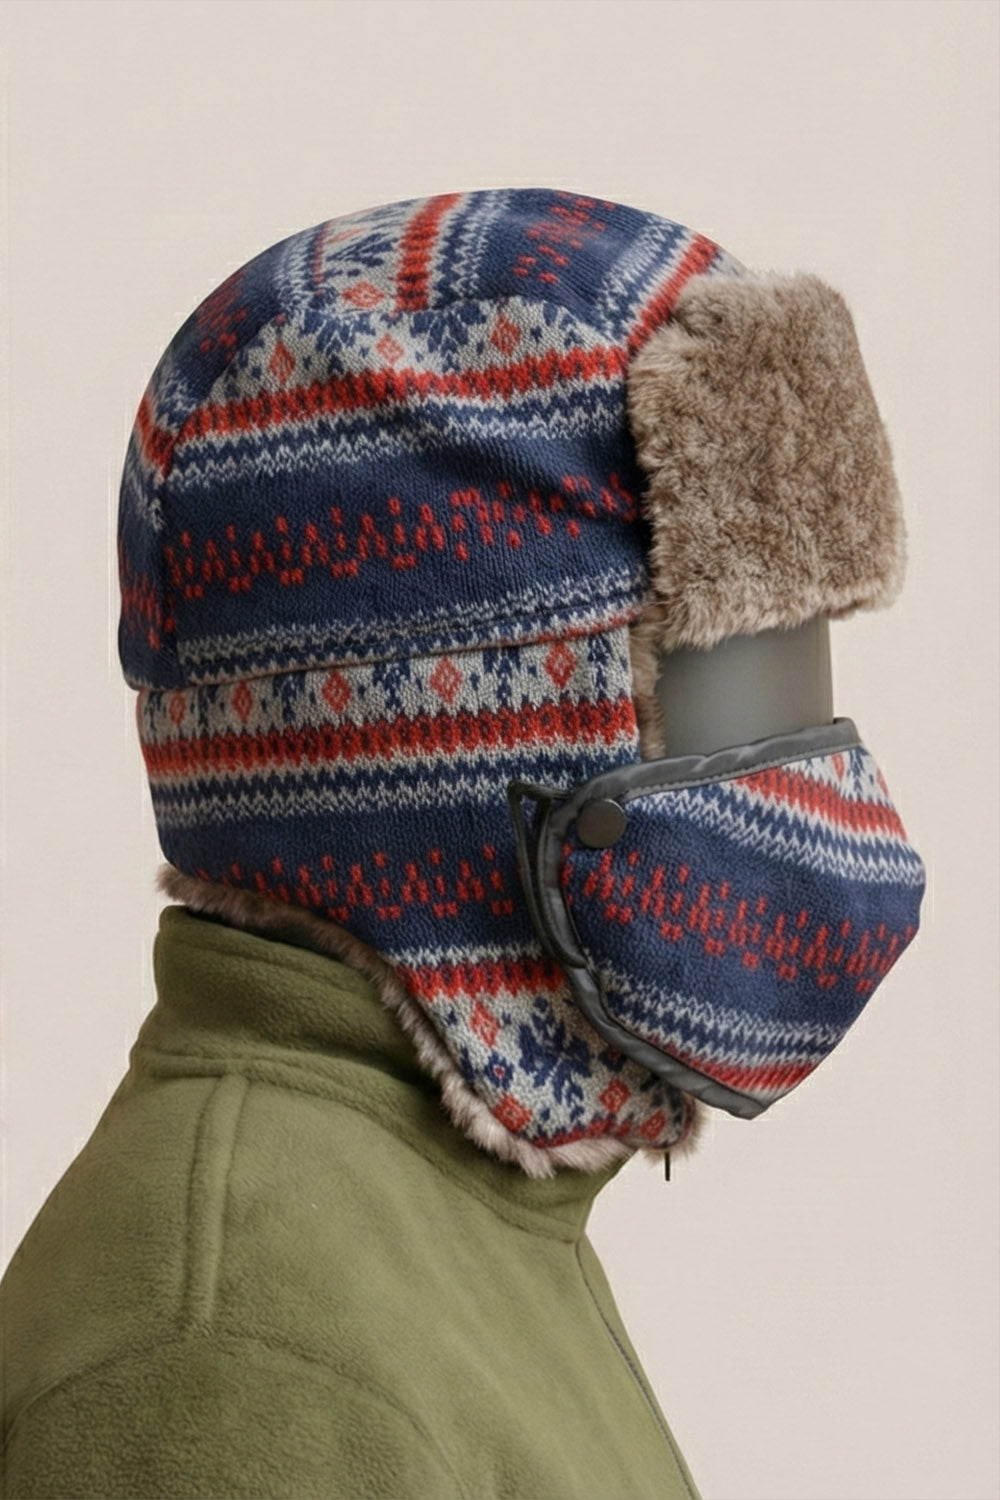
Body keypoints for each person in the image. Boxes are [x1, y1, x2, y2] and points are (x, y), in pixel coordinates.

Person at [0, 187, 925, 1499]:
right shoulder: (244, 1352)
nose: (815, 791)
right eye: (720, 673)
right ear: (473, 718)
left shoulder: (433, 1226)